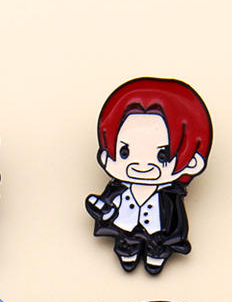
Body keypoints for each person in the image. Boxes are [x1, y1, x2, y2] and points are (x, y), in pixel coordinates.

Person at [85, 77, 212, 274]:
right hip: (125, 231)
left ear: (192, 162)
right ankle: (129, 253)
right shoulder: (117, 189)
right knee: (127, 248)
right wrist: (103, 211)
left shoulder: (170, 197)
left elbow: (177, 223)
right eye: (125, 153)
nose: (141, 165)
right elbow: (105, 205)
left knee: (155, 255)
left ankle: (155, 258)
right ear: (106, 155)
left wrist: (169, 239)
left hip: (158, 237)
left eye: (162, 156)